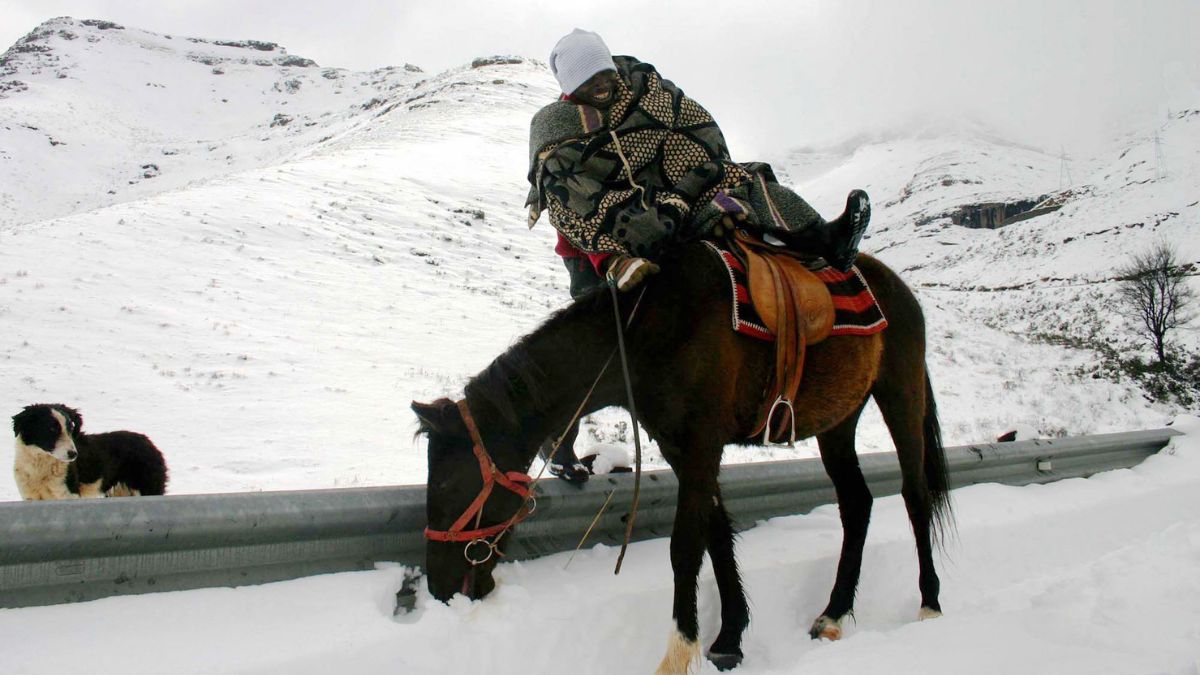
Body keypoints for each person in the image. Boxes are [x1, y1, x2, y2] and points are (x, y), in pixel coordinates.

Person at [525, 28, 871, 299]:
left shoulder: (647, 90)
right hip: (607, 232)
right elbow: (568, 197)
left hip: (677, 200)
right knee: (598, 331)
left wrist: (690, 187)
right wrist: (612, 252)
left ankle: (822, 238)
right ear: (571, 86)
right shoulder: (558, 127)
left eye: (604, 75)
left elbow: (693, 131)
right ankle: (617, 265)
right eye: (589, 82)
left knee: (741, 179)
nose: (601, 86)